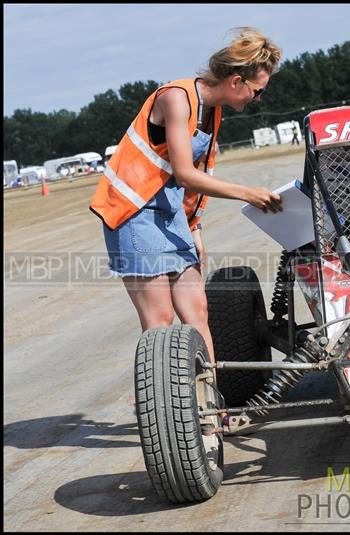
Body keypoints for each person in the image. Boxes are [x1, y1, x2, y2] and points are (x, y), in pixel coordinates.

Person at [90, 27, 283, 377]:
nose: (257, 100)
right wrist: (248, 193)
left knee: (197, 311)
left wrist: (194, 227)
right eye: (257, 92)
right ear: (237, 81)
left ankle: (210, 405)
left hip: (169, 214)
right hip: (133, 213)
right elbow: (184, 173)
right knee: (159, 322)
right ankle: (172, 409)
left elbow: (195, 177)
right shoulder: (176, 98)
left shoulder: (213, 111)